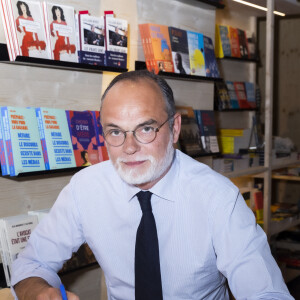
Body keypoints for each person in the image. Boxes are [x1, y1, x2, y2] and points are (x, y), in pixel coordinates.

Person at [11, 70, 293, 300]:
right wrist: (39, 292)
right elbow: (31, 264)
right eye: (115, 132)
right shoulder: (85, 189)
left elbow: (267, 293)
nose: (129, 147)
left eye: (146, 128)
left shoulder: (218, 198)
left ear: (175, 129)